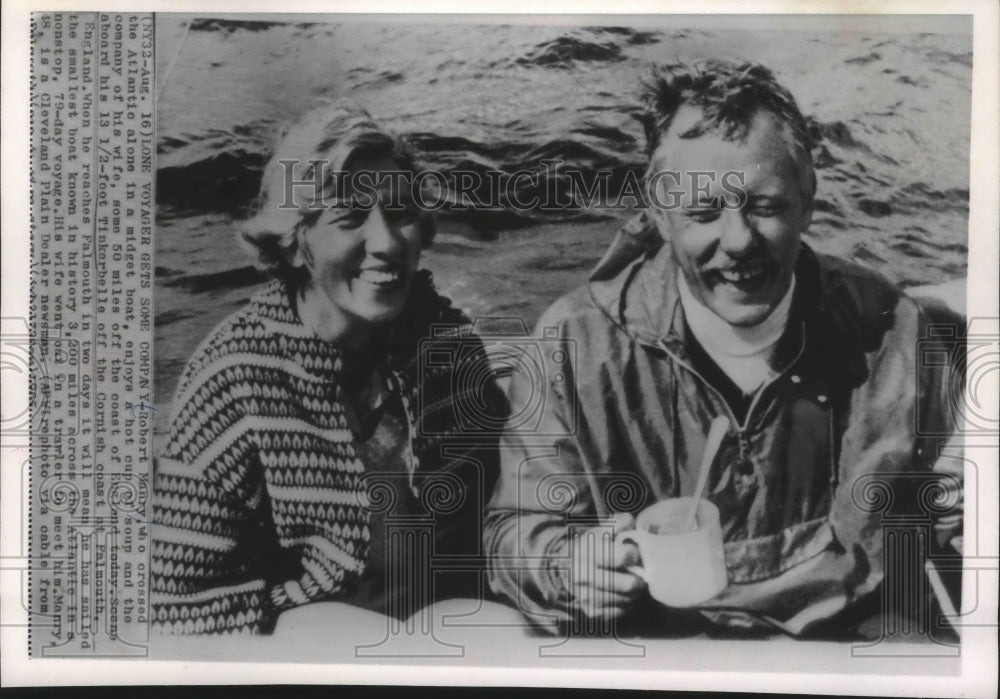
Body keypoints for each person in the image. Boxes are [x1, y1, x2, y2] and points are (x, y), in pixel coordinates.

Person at [484, 60, 964, 639]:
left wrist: (962, 504)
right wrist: (568, 567)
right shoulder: (571, 346)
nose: (738, 242)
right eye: (704, 211)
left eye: (764, 206)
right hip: (657, 649)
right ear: (659, 215)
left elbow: (955, 496)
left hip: (847, 643)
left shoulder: (892, 329)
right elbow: (514, 531)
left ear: (808, 201)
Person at [151, 101, 505, 635]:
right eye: (350, 216)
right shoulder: (235, 380)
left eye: (401, 212)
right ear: (295, 242)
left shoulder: (448, 349)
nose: (386, 243)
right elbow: (179, 609)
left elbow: (501, 528)